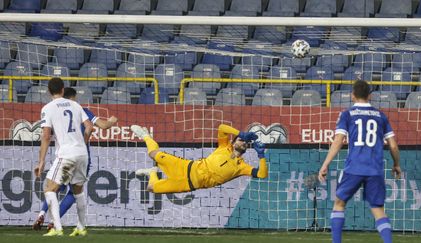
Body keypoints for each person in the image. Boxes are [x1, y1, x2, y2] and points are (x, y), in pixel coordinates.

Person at [318, 80, 402, 243]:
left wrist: (325, 164)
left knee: (339, 203)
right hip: (375, 169)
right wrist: (396, 164)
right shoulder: (381, 116)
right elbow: (393, 145)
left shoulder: (347, 114)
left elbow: (338, 141)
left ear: (352, 95)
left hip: (354, 167)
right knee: (378, 209)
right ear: (370, 96)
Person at [33, 87, 118, 233]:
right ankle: (56, 223)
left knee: (54, 187)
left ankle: (42, 213)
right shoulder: (81, 109)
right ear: (74, 97)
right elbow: (99, 126)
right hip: (82, 156)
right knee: (74, 193)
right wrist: (112, 121)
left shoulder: (54, 110)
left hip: (64, 156)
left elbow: (47, 134)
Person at [130, 124, 267, 193]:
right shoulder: (223, 147)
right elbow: (221, 127)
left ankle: (152, 172)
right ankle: (145, 135)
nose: (242, 142)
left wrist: (261, 156)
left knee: (151, 188)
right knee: (153, 154)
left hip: (189, 184)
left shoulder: (241, 167)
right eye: (240, 140)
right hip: (186, 166)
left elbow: (262, 174)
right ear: (234, 142)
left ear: (246, 148)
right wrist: (240, 133)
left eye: (244, 142)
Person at [35, 78, 93, 237]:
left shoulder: (48, 108)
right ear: (62, 89)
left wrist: (41, 161)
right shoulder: (75, 105)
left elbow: (46, 136)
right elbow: (89, 126)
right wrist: (83, 141)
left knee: (49, 189)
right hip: (82, 153)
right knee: (78, 191)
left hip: (66, 155)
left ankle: (57, 228)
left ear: (49, 91)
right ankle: (81, 227)